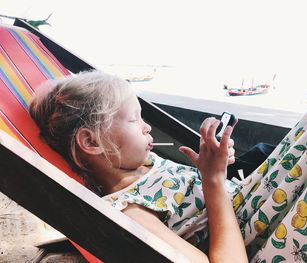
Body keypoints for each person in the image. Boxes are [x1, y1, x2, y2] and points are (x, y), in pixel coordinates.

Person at [29, 70, 248, 262]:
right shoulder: (132, 211)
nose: (147, 127)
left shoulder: (143, 163)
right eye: (135, 119)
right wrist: (214, 180)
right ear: (91, 142)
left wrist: (212, 164)